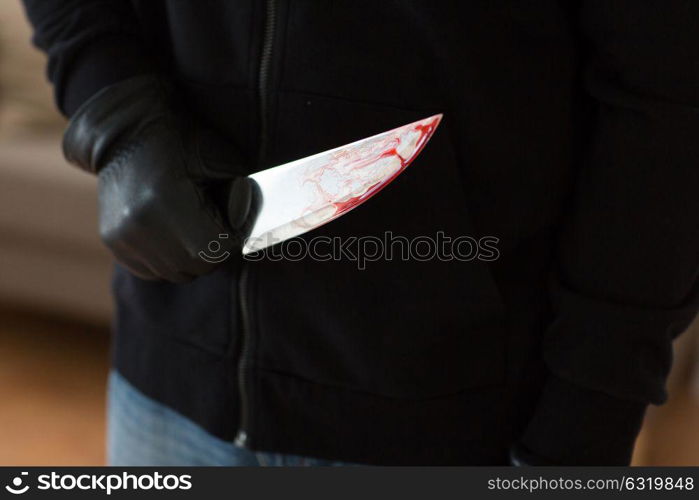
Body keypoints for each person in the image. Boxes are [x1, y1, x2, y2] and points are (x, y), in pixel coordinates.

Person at [21, 0, 699, 466]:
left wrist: (587, 421)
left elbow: (664, 102)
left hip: (461, 427)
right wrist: (115, 113)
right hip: (162, 387)